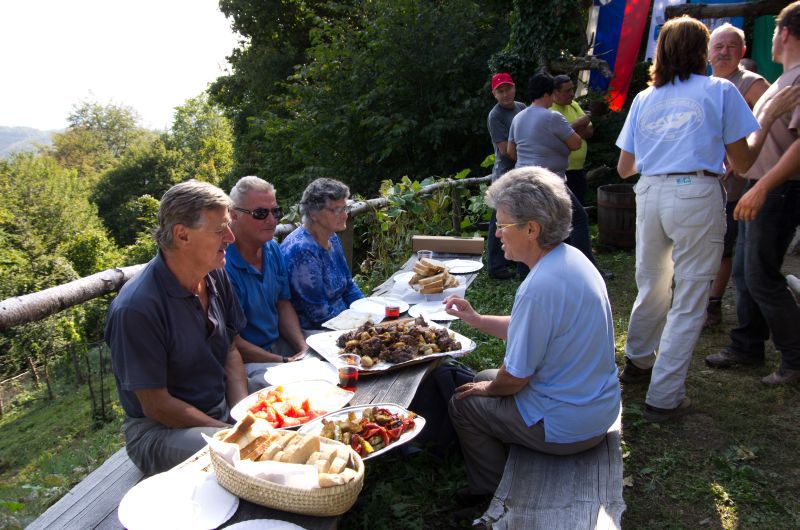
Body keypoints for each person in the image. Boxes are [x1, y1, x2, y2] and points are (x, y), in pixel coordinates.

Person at [616, 15, 798, 420]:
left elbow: (624, 168)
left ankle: (637, 364)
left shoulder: (645, 98)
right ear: (702, 51)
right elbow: (745, 162)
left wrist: (662, 147)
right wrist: (767, 119)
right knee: (691, 296)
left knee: (652, 285)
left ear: (661, 52)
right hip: (696, 193)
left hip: (649, 192)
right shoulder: (720, 90)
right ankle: (664, 398)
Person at [445, 166, 620, 505]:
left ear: (531, 229)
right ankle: (508, 450)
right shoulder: (570, 259)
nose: (496, 233)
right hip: (595, 407)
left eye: (502, 225)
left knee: (462, 403)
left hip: (570, 426)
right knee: (480, 379)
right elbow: (533, 328)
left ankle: (493, 494)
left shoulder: (538, 287)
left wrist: (490, 388)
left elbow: (514, 379)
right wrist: (477, 319)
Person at [105, 180, 249, 475]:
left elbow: (231, 351)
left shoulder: (215, 275)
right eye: (220, 230)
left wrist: (242, 417)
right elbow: (157, 406)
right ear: (182, 235)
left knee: (291, 398)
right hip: (161, 432)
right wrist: (231, 433)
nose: (232, 238)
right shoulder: (137, 308)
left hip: (219, 407)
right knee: (241, 456)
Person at [705, 2, 800, 385]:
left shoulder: (795, 81)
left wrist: (762, 186)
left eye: (775, 31)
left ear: (785, 33)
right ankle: (747, 345)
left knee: (761, 277)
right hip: (762, 188)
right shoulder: (784, 78)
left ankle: (795, 360)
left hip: (779, 192)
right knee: (745, 272)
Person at [508, 73, 606, 278]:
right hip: (549, 180)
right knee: (577, 218)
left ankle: (524, 269)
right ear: (548, 93)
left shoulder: (518, 117)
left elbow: (511, 151)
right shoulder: (552, 117)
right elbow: (576, 143)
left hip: (523, 179)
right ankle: (586, 268)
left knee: (530, 224)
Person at [704, 23, 770, 327]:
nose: (724, 52)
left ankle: (714, 305)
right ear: (707, 53)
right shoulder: (703, 85)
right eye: (718, 46)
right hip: (703, 185)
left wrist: (740, 152)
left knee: (725, 248)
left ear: (742, 51)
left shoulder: (752, 84)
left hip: (738, 186)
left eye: (732, 46)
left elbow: (777, 129)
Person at [226, 176, 308, 393]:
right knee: (301, 386)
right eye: (260, 213)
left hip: (278, 344)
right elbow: (233, 345)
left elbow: (283, 304)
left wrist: (302, 347)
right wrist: (283, 361)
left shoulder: (272, 249)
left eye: (275, 211)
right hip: (247, 362)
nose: (272, 220)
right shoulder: (222, 266)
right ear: (234, 215)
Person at [280, 178, 365, 331]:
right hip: (316, 332)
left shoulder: (331, 235)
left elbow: (348, 286)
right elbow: (319, 314)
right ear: (313, 214)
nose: (345, 216)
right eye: (337, 210)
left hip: (344, 321)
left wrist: (367, 313)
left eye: (345, 208)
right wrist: (360, 328)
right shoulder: (302, 251)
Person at [486, 72, 526, 279]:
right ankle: (495, 266)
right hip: (505, 174)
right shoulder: (496, 116)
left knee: (516, 218)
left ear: (514, 88)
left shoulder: (522, 107)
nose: (505, 94)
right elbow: (505, 151)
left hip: (522, 170)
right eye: (500, 91)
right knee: (499, 220)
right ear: (494, 94)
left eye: (507, 89)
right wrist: (530, 155)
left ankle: (515, 260)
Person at [550, 74, 593, 205]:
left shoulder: (574, 105)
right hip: (560, 172)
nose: (572, 94)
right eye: (567, 91)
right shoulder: (549, 109)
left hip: (578, 170)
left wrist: (568, 131)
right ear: (555, 92)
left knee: (578, 209)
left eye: (572, 89)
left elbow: (589, 132)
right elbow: (553, 139)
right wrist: (578, 123)